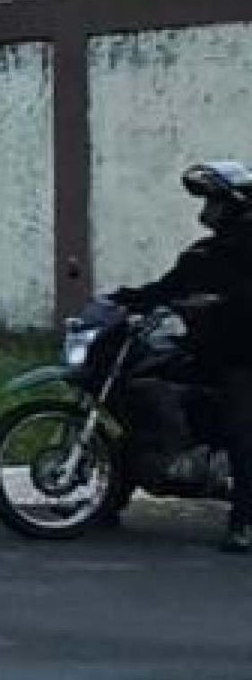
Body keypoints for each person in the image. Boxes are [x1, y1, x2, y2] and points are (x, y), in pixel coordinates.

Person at [111, 161, 252, 554]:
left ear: (236, 204)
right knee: (142, 391)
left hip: (242, 356)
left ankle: (244, 521)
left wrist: (215, 308)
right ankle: (111, 499)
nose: (206, 210)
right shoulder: (204, 253)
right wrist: (120, 300)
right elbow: (168, 288)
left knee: (243, 430)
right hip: (205, 352)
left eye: (214, 201)